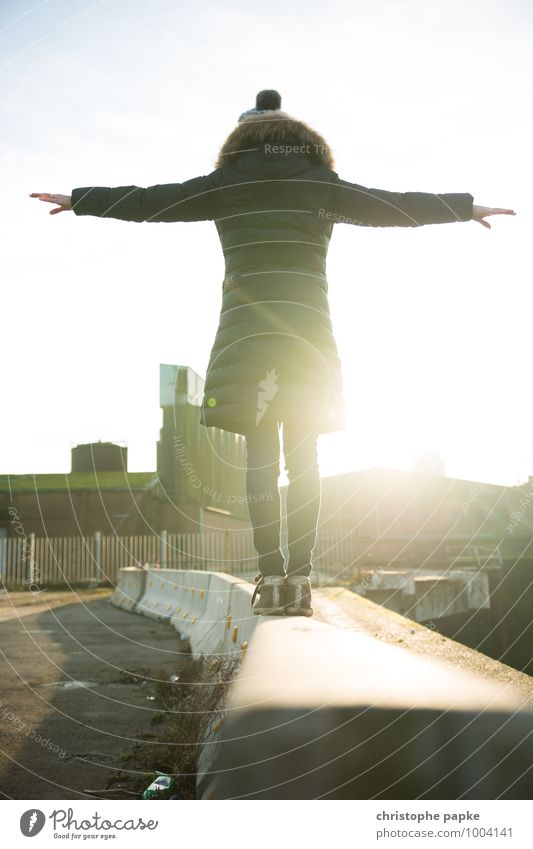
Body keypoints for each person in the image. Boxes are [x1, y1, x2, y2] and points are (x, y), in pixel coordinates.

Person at [30, 89, 515, 617]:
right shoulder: (323, 186)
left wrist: (81, 199)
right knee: (304, 460)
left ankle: (272, 577)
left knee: (259, 461)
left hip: (247, 338)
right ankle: (301, 580)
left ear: (240, 140)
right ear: (303, 142)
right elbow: (394, 206)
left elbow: (151, 201)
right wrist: (464, 208)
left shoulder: (227, 186)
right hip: (309, 338)